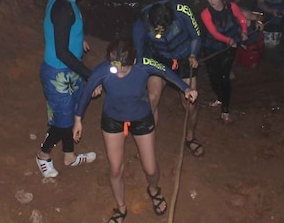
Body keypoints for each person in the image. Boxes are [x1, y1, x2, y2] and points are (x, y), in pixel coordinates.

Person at [74, 39, 198, 222]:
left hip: (141, 117)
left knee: (150, 168)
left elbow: (166, 71)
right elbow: (87, 91)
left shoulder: (144, 64)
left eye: (123, 69)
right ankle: (121, 207)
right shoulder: (104, 69)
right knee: (115, 168)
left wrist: (186, 88)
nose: (119, 75)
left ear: (133, 61)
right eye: (115, 68)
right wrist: (78, 120)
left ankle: (154, 189)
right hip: (113, 120)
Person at [36, 0, 98, 178]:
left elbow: (58, 31)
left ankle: (69, 156)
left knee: (70, 115)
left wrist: (77, 39)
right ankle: (43, 155)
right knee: (62, 122)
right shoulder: (64, 9)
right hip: (58, 73)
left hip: (67, 70)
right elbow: (62, 51)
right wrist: (89, 75)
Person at [132, 0, 205, 157]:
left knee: (190, 103)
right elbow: (138, 51)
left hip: (184, 57)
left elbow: (196, 35)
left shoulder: (183, 11)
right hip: (158, 58)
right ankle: (147, 140)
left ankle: (190, 137)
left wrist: (193, 54)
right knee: (152, 98)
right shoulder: (141, 22)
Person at [199, 0, 250, 124]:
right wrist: (228, 40)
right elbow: (214, 33)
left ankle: (225, 110)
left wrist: (244, 31)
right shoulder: (205, 13)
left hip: (228, 49)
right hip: (212, 47)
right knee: (214, 78)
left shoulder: (232, 6)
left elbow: (241, 18)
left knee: (224, 76)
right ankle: (220, 98)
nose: (212, 1)